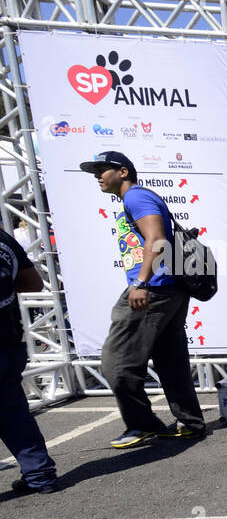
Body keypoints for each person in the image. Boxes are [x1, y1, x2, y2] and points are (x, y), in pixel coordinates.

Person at [80, 150, 206, 448]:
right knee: (170, 359)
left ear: (122, 172)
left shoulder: (136, 197)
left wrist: (140, 282)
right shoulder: (135, 198)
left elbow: (157, 239)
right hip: (169, 288)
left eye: (102, 169)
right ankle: (190, 423)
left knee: (116, 360)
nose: (98, 176)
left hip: (154, 289)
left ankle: (141, 424)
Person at [1, 226, 58, 493]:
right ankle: (40, 475)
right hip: (7, 340)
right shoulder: (5, 241)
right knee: (13, 413)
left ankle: (39, 474)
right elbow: (33, 283)